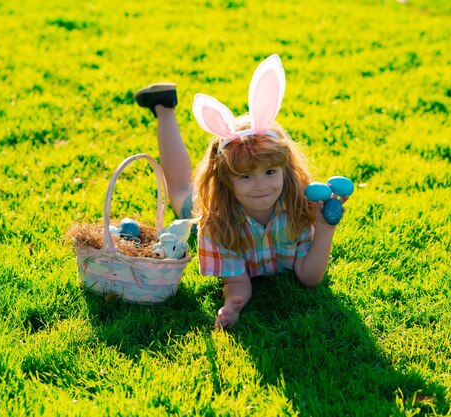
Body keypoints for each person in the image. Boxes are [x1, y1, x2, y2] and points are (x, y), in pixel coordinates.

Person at [134, 55, 349, 328]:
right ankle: (164, 106)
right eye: (246, 176)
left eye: (270, 172)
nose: (260, 185)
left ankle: (165, 106)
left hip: (265, 207)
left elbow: (309, 278)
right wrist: (233, 301)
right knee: (180, 193)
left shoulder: (299, 205)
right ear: (227, 180)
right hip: (229, 208)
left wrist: (325, 229)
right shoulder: (217, 222)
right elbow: (237, 281)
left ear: (285, 169)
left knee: (183, 192)